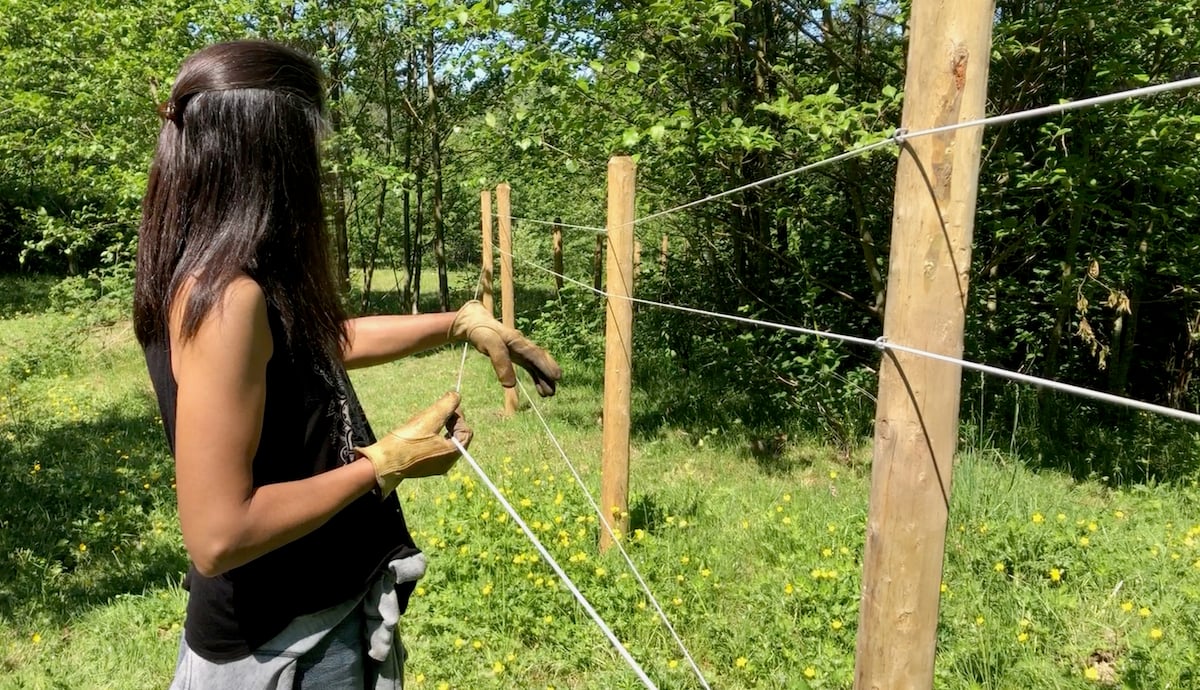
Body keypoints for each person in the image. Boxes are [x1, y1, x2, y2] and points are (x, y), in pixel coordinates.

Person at [133, 39, 561, 689]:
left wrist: (457, 322)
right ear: (271, 154)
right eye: (310, 147)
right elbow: (217, 533)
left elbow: (312, 344)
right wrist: (387, 462)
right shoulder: (226, 297)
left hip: (311, 623)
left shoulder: (211, 265)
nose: (320, 169)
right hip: (285, 649)